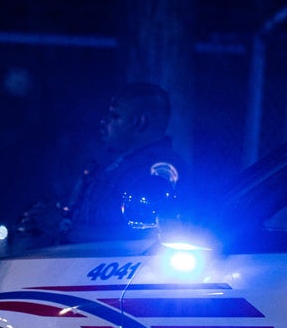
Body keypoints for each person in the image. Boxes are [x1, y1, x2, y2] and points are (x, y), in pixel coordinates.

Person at [14, 81, 184, 247]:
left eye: (114, 115)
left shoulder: (159, 169)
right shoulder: (112, 166)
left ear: (140, 122)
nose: (103, 122)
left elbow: (146, 237)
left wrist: (62, 227)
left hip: (127, 274)